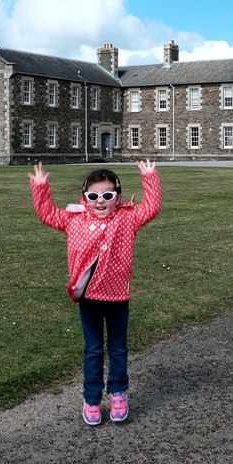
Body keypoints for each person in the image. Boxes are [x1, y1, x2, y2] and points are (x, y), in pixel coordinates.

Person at [29, 160, 161, 425]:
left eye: (107, 195)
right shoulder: (73, 220)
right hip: (88, 298)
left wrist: (150, 177)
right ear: (84, 197)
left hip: (117, 298)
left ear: (117, 197)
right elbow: (46, 214)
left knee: (118, 349)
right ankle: (91, 398)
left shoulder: (127, 218)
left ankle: (118, 393)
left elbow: (151, 207)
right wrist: (41, 186)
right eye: (93, 196)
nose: (100, 201)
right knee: (93, 350)